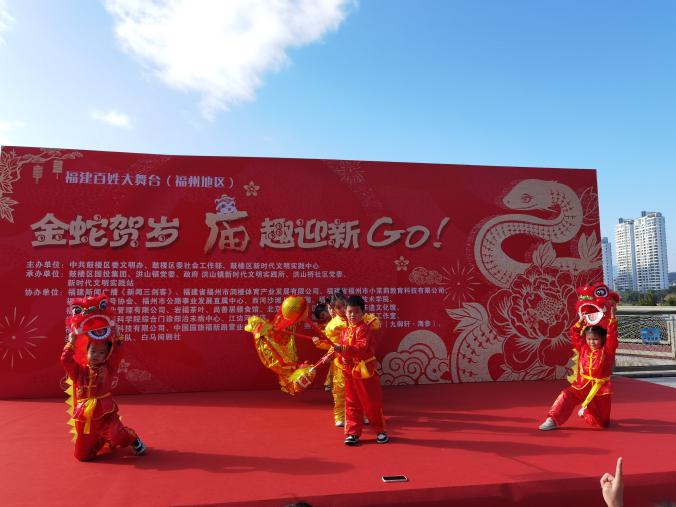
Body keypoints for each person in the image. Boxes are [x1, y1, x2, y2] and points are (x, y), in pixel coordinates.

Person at [61, 331, 146, 461]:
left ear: (106, 356)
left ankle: (132, 438)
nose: (96, 355)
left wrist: (117, 334)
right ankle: (101, 438)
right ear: (87, 352)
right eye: (93, 351)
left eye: (101, 353)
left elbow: (118, 353)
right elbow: (65, 360)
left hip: (105, 414)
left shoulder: (109, 368)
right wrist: (71, 342)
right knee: (82, 457)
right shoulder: (79, 371)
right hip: (86, 418)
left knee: (116, 435)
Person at [540, 318, 617, 430]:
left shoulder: (607, 351)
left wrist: (612, 321)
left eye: (595, 339)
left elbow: (612, 337)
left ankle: (585, 411)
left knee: (602, 423)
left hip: (599, 389)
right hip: (581, 384)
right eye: (589, 339)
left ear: (603, 338)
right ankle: (552, 419)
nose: (592, 342)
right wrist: (580, 322)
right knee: (566, 395)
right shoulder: (583, 348)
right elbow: (574, 334)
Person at [332, 295, 388, 445]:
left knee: (371, 402)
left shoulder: (365, 329)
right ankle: (353, 433)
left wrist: (343, 349)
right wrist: (342, 357)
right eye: (350, 312)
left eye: (356, 312)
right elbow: (343, 352)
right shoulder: (344, 331)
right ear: (345, 312)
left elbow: (361, 348)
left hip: (365, 371)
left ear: (363, 313)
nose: (352, 315)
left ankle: (380, 431)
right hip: (350, 372)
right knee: (351, 402)